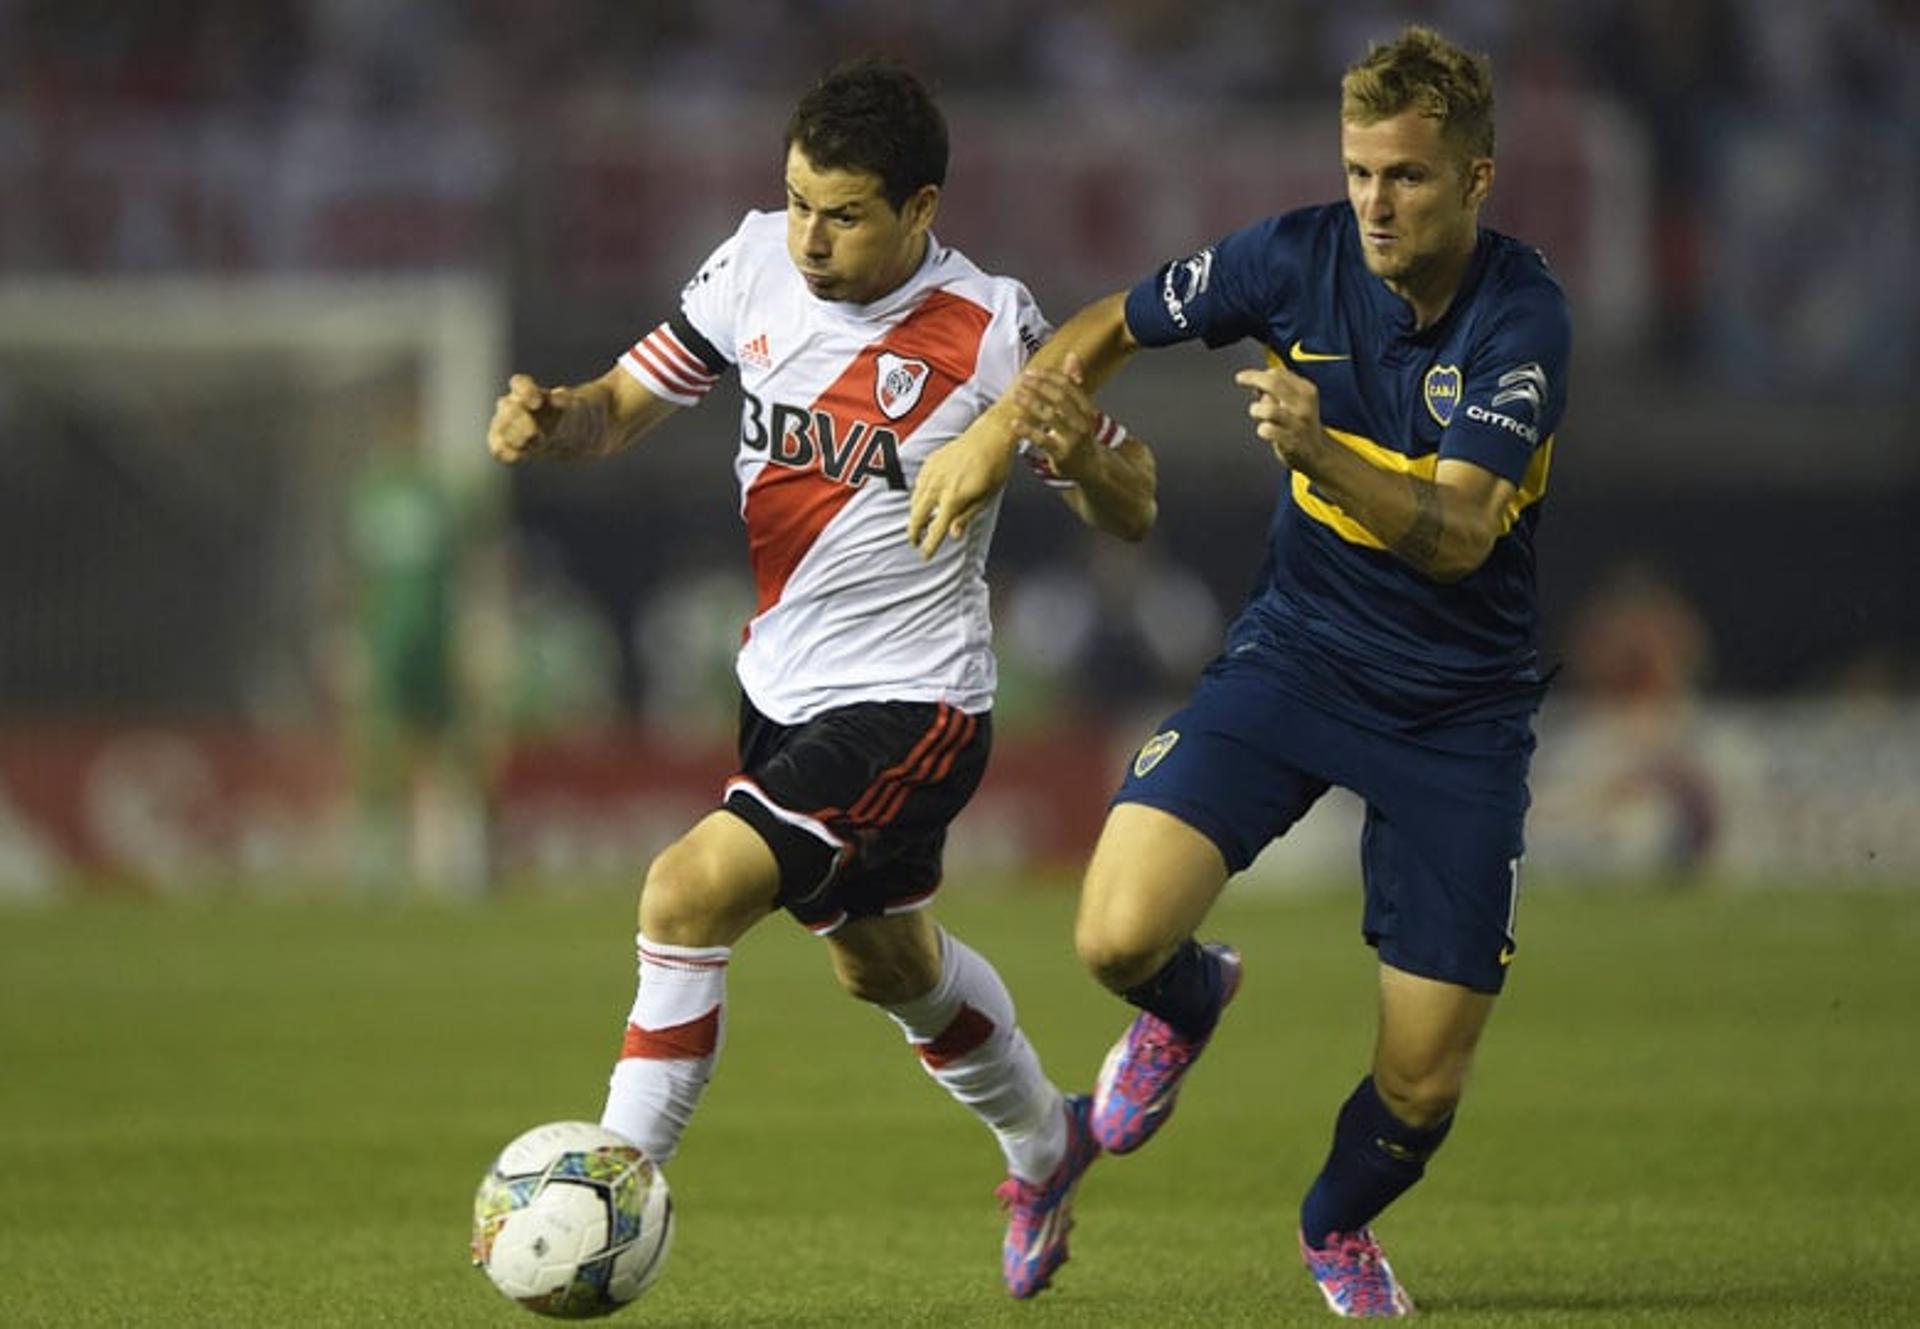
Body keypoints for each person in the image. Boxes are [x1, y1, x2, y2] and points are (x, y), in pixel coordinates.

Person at [908, 27, 1571, 1318]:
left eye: (1410, 178)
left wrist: (1319, 454)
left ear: (1478, 182)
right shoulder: (1293, 255)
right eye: (1360, 171)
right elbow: (1112, 321)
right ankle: (1188, 994)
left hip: (1457, 713)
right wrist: (1001, 431)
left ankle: (1336, 1226)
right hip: (1298, 657)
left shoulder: (1523, 317)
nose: (1375, 202)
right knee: (1112, 933)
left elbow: (1461, 533)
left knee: (1425, 1082)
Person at [486, 58, 1157, 1300]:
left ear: (920, 209)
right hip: (781, 692)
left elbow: (1136, 504)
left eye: (843, 213)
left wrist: (1080, 457)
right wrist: (552, 415)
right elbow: (621, 408)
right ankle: (1047, 1143)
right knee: (885, 965)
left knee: (685, 892)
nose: (809, 236)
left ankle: (605, 1197)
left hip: (915, 705)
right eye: (797, 200)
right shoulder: (748, 263)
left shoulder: (994, 330)